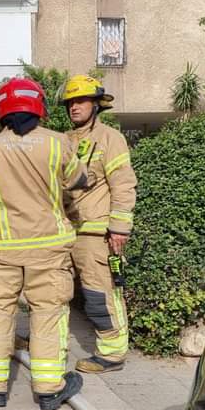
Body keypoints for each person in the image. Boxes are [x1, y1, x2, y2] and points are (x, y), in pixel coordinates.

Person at [0, 78, 90, 410]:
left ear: (1, 109)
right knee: (47, 314)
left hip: (3, 248)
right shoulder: (59, 143)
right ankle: (48, 390)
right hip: (49, 248)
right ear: (39, 106)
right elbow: (79, 181)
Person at [62, 75, 138, 374]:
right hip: (64, 231)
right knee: (52, 291)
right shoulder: (64, 139)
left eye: (80, 101)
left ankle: (112, 352)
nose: (74, 107)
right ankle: (45, 340)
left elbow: (123, 184)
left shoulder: (110, 138)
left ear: (96, 105)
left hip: (95, 232)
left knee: (99, 293)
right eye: (70, 102)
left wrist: (119, 228)